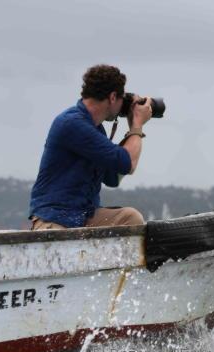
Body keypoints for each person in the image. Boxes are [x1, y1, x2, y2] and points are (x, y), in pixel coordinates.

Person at [28, 64, 152, 230]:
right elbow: (127, 162)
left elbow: (113, 177)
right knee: (64, 242)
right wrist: (136, 126)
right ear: (113, 97)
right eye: (123, 98)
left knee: (130, 218)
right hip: (55, 219)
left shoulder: (95, 129)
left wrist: (128, 137)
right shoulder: (72, 123)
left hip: (83, 216)